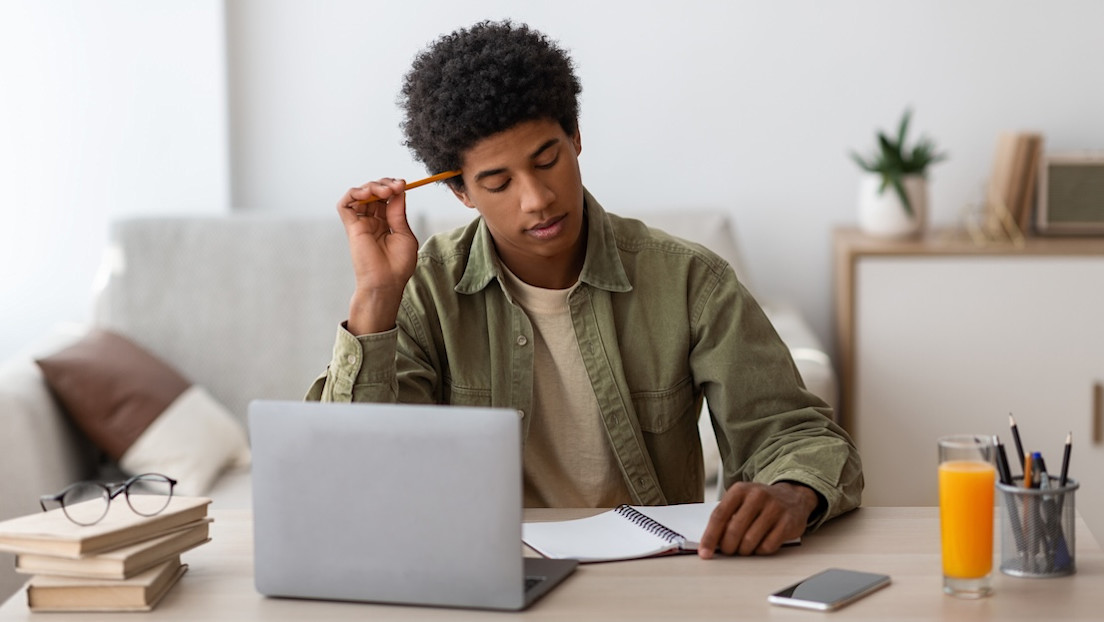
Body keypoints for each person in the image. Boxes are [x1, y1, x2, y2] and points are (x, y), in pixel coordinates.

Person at [307, 20, 862, 557]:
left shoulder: (689, 280)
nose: (537, 198)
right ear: (461, 193)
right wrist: (376, 296)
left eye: (547, 160)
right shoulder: (424, 291)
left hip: (651, 576)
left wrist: (793, 491)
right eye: (498, 182)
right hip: (482, 572)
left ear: (575, 137)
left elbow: (791, 432)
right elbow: (351, 477)